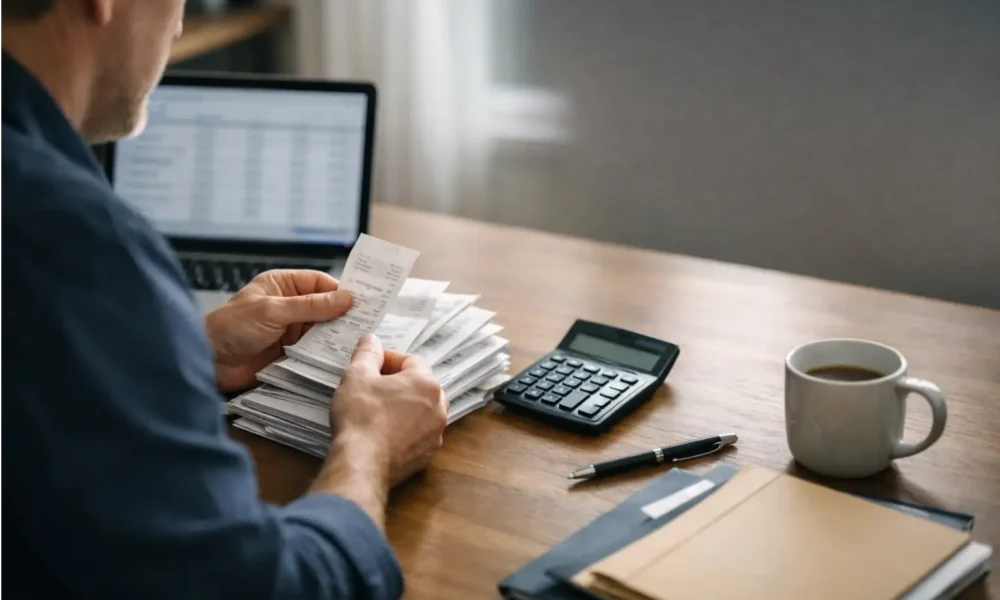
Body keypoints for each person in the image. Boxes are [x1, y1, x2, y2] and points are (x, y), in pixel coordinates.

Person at [0, 1, 448, 598]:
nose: (181, 20)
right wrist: (369, 448)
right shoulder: (71, 240)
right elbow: (261, 587)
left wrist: (173, 354)